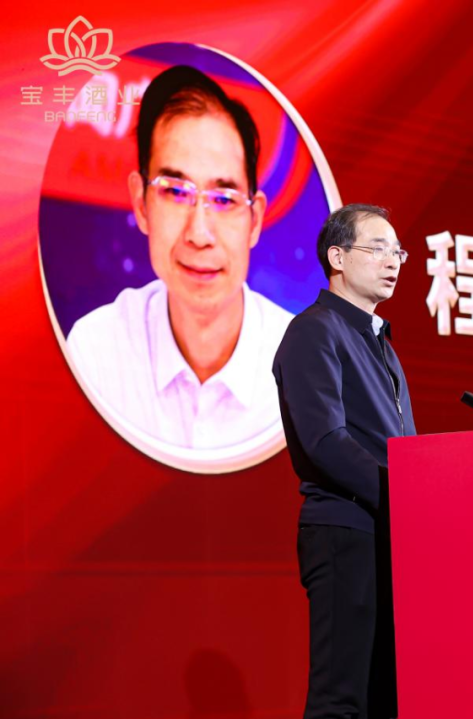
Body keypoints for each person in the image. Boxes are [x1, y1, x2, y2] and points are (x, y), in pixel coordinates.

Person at [66, 65, 292, 451]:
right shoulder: (96, 352)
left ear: (254, 220)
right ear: (141, 204)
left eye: (224, 199)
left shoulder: (310, 367)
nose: (199, 234)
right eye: (174, 191)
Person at [273, 204, 415, 719]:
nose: (392, 261)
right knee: (342, 699)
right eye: (377, 249)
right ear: (336, 257)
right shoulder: (315, 330)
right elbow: (326, 441)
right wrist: (407, 493)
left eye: (397, 251)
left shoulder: (380, 344)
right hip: (344, 530)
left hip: (389, 532)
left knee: (388, 696)